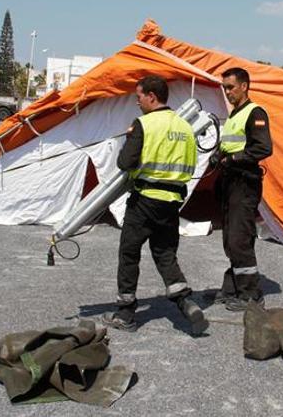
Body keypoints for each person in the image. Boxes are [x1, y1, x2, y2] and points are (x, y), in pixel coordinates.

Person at [101, 75, 208, 335]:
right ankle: (185, 302)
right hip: (172, 203)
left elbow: (125, 163)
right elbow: (191, 166)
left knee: (129, 253)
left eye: (138, 97)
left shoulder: (144, 124)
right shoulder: (185, 127)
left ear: (151, 96)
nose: (137, 102)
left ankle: (125, 313)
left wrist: (129, 141)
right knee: (165, 253)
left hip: (145, 200)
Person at [211, 67, 273, 311]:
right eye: (224, 87)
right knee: (229, 238)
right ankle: (232, 288)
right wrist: (218, 156)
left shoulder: (254, 113)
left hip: (244, 183)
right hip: (230, 182)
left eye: (230, 87)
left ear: (244, 86)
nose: (227, 92)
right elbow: (231, 145)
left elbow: (263, 148)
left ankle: (251, 295)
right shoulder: (235, 114)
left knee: (239, 238)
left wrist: (233, 159)